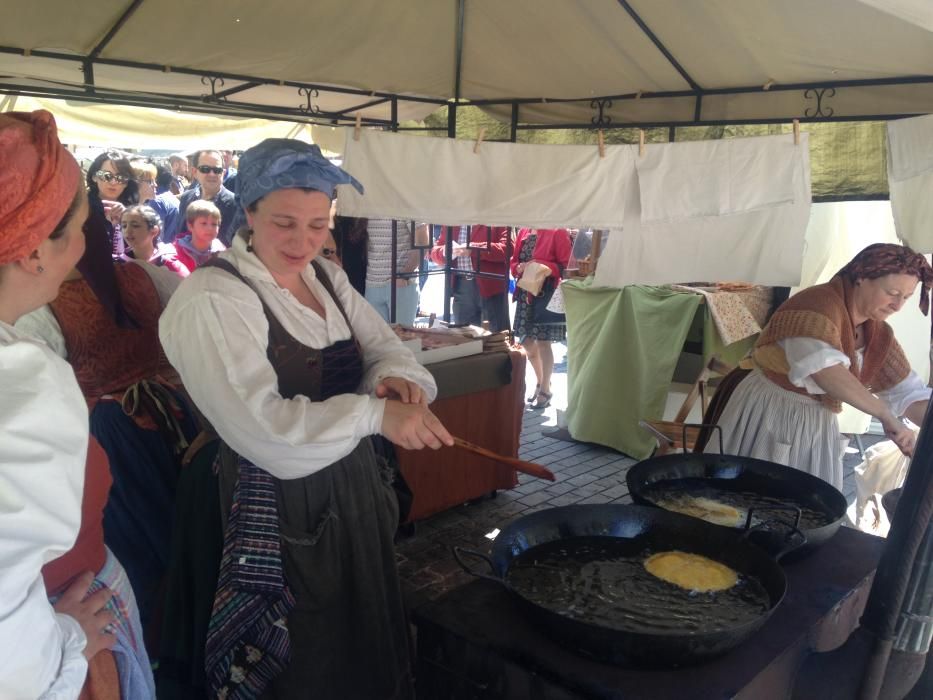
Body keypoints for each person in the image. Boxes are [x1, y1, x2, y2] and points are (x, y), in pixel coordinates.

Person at [157, 138, 453, 698]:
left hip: (348, 486)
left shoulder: (325, 278)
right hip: (265, 498)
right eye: (286, 223)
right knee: (302, 655)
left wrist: (396, 379)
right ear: (248, 214)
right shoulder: (214, 297)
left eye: (319, 225)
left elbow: (383, 346)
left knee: (357, 635)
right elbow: (264, 431)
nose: (304, 242)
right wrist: (372, 413)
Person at [17, 194, 197, 652]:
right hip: (149, 433)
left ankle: (171, 642)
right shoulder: (148, 278)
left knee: (157, 545)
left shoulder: (141, 278)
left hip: (131, 439)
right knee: (170, 539)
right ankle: (176, 640)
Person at [0, 109, 118, 698]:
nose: (83, 248)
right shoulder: (24, 381)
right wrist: (67, 642)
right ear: (31, 252)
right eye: (77, 230)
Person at [705, 243, 933, 490]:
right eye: (892, 293)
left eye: (907, 297)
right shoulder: (814, 307)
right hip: (770, 412)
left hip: (815, 421)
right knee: (749, 494)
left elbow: (909, 393)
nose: (898, 306)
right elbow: (825, 370)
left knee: (804, 503)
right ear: (861, 278)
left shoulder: (877, 334)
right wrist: (885, 415)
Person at [511, 227, 572, 409]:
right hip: (526, 293)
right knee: (527, 342)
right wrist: (518, 268)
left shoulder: (557, 231)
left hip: (545, 295)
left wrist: (542, 266)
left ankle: (545, 388)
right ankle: (541, 381)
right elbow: (514, 262)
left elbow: (566, 266)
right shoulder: (524, 231)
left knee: (544, 343)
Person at [431, 224, 511, 331]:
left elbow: (508, 248)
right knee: (465, 337)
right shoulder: (452, 221)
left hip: (490, 286)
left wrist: (475, 249)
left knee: (495, 336)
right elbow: (435, 252)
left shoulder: (495, 218)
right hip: (461, 286)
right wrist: (444, 251)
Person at [166, 149, 237, 245]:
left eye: (217, 170)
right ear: (194, 172)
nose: (212, 174)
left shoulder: (235, 204)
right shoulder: (186, 198)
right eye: (205, 169)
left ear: (223, 173)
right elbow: (179, 235)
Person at [364, 218, 420, 325]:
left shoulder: (406, 204)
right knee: (378, 339)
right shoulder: (367, 207)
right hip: (372, 284)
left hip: (399, 284)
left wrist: (405, 275)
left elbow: (423, 241)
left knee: (403, 338)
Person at [87, 150, 139, 257]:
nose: (113, 182)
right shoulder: (81, 209)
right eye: (107, 176)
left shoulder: (135, 210)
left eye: (120, 178)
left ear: (126, 183)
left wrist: (127, 220)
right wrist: (107, 225)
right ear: (94, 177)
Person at [120, 204, 189, 277]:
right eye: (124, 226)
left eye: (135, 226)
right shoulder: (120, 264)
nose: (127, 231)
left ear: (154, 231)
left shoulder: (169, 264)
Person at [170, 199, 226, 275]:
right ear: (190, 226)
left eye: (214, 224)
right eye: (204, 223)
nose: (210, 228)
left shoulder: (222, 251)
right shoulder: (175, 253)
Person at [130, 159, 180, 238]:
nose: (155, 185)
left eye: (154, 180)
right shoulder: (126, 215)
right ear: (135, 183)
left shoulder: (153, 204)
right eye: (150, 181)